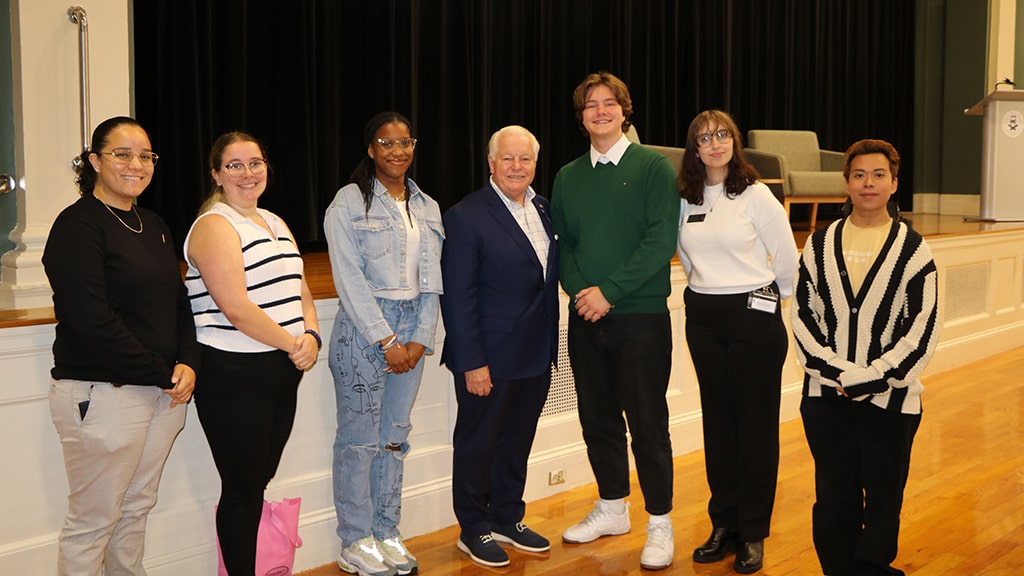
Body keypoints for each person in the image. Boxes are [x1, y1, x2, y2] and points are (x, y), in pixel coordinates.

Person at [42, 116, 200, 576]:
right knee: (92, 523)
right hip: (103, 394)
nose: (137, 164)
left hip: (161, 391)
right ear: (94, 161)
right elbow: (94, 321)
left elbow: (178, 302)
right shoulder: (77, 226)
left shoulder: (153, 224)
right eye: (122, 154)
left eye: (145, 155)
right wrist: (162, 371)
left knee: (134, 510)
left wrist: (188, 361)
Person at [551, 71, 681, 571]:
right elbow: (563, 245)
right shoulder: (567, 176)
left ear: (625, 111)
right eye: (590, 104)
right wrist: (583, 292)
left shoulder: (654, 168)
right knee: (597, 418)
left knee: (647, 423)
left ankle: (660, 521)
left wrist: (610, 292)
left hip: (640, 317)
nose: (600, 111)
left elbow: (659, 242)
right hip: (586, 315)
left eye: (609, 103)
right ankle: (612, 508)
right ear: (580, 115)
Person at [792, 139, 938, 576]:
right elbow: (803, 321)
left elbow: (921, 333)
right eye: (859, 175)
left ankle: (871, 568)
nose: (868, 183)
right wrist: (838, 374)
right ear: (847, 184)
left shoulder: (914, 251)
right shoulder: (818, 246)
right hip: (825, 400)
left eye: (878, 175)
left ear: (894, 184)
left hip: (891, 402)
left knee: (883, 497)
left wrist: (869, 379)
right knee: (834, 495)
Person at [184, 131, 320, 575]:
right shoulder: (213, 225)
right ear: (216, 175)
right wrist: (293, 343)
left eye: (255, 163)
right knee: (242, 489)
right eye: (235, 165)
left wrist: (312, 336)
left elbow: (300, 287)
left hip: (281, 369)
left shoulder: (274, 221)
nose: (248, 173)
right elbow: (236, 308)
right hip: (232, 372)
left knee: (257, 482)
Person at [675, 110, 799, 574]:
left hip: (753, 318)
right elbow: (686, 254)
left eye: (723, 134)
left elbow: (786, 257)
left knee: (756, 430)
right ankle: (723, 525)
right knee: (719, 427)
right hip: (705, 318)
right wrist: (706, 288)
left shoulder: (756, 193)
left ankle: (753, 533)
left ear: (735, 141)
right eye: (705, 138)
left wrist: (774, 297)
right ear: (694, 148)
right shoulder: (686, 196)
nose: (715, 144)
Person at [324, 112, 443, 576]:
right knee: (359, 441)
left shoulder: (426, 205)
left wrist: (418, 338)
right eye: (386, 144)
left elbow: (432, 282)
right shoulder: (349, 203)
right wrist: (386, 338)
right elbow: (348, 278)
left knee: (394, 438)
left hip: (412, 329)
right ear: (371, 149)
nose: (398, 152)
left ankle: (387, 531)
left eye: (405, 143)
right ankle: (355, 540)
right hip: (364, 330)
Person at [440, 126, 558, 568]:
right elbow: (458, 296)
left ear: (534, 163)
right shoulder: (466, 216)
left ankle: (508, 516)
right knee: (478, 444)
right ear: (490, 163)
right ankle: (473, 528)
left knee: (516, 443)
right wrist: (473, 363)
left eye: (524, 159)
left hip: (535, 353)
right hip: (488, 358)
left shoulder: (544, 208)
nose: (516, 167)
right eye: (507, 159)